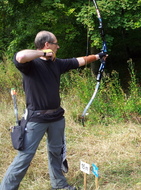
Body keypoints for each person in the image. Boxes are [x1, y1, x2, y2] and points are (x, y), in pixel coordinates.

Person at [0, 30, 107, 190]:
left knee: (56, 153)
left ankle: (59, 184)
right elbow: (20, 56)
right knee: (25, 157)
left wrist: (98, 56)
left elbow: (79, 61)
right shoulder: (30, 65)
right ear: (47, 45)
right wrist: (42, 53)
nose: (58, 46)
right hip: (36, 119)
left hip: (56, 118)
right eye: (56, 43)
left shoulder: (56, 64)